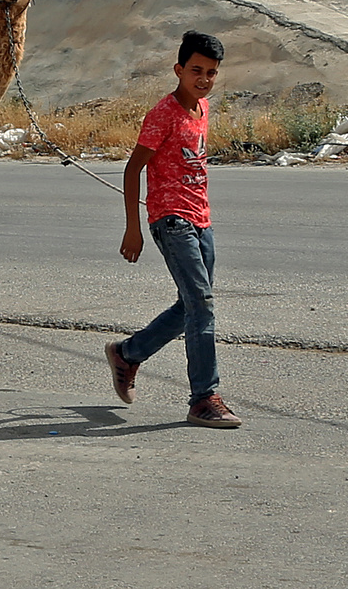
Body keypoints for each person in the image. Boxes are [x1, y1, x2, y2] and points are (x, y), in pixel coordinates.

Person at [105, 30, 240, 428]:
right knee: (202, 306)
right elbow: (133, 168)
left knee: (190, 306)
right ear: (179, 70)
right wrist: (134, 228)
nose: (204, 79)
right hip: (170, 219)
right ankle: (204, 398)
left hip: (202, 219)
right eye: (196, 70)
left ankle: (128, 353)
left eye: (212, 73)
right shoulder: (163, 113)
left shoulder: (202, 109)